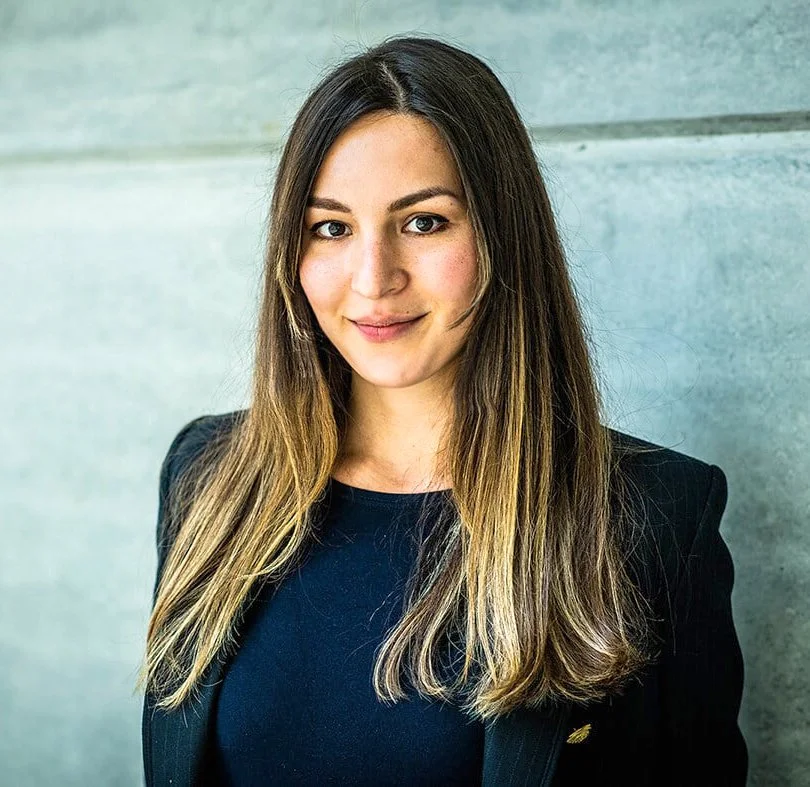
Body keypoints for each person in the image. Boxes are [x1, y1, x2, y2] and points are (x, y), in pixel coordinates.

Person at [137, 35, 747, 787]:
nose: (374, 278)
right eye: (331, 227)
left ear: (501, 235)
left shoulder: (651, 517)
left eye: (424, 221)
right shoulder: (206, 476)